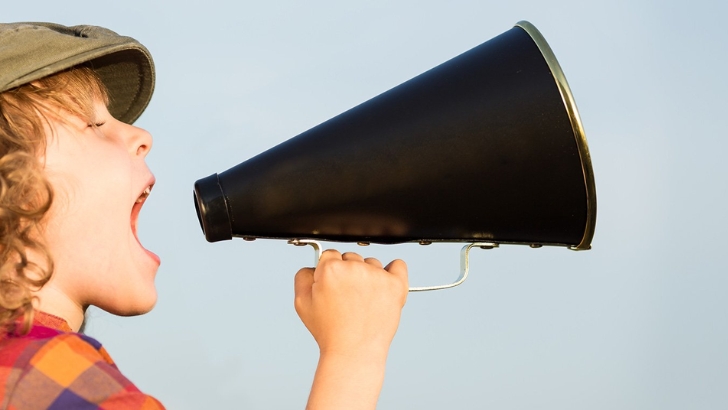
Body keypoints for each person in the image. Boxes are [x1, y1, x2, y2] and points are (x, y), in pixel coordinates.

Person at [0, 22, 408, 409]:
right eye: (94, 123)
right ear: (10, 179)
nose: (142, 136)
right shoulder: (44, 375)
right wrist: (354, 352)